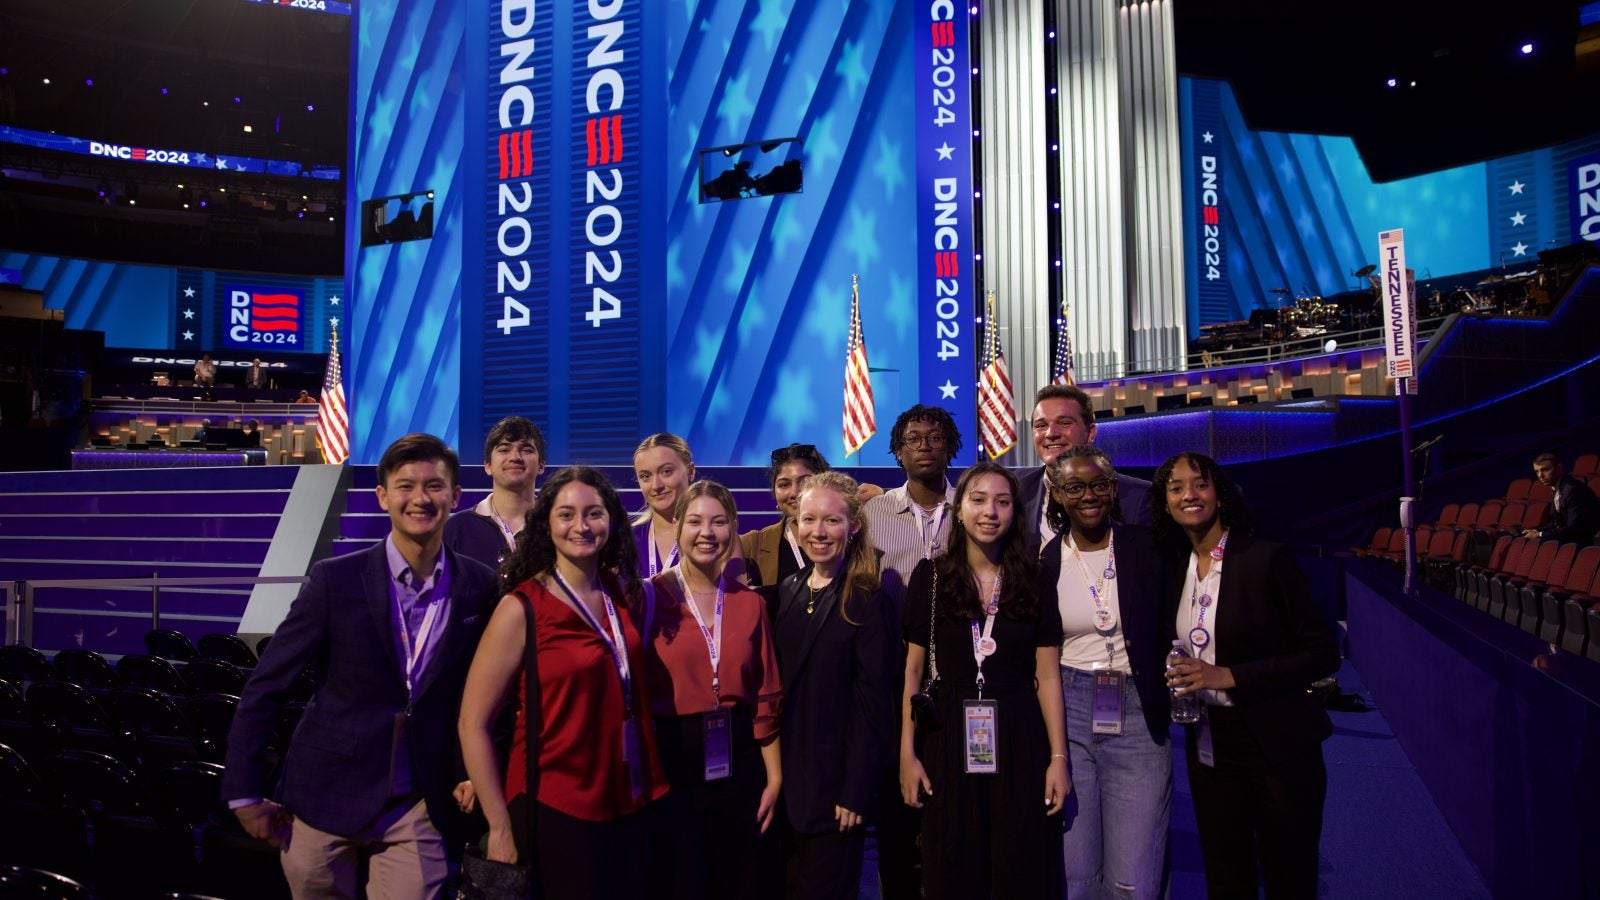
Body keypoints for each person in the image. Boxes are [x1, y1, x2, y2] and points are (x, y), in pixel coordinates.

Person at [222, 433, 498, 898]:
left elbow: (488, 694)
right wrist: (243, 790)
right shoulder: (335, 579)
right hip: (323, 796)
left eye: (434, 486)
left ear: (455, 496)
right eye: (406, 485)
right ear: (382, 496)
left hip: (421, 800)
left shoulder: (480, 584)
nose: (420, 498)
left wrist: (474, 770)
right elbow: (266, 686)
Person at [458, 466, 669, 899]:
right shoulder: (522, 607)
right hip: (556, 804)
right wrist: (498, 826)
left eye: (594, 513)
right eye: (567, 514)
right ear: (546, 523)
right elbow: (472, 723)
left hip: (630, 796)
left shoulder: (620, 592)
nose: (581, 526)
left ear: (611, 519)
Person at [1156, 452, 1339, 899]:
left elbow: (1323, 653)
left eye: (1199, 484)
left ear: (1219, 493)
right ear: (1164, 504)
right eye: (1176, 488)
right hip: (1209, 745)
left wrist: (1229, 676)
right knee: (1225, 875)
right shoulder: (1175, 569)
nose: (1189, 495)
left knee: (1288, 875)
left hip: (1278, 743)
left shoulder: (1265, 558)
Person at [898, 462, 1070, 899]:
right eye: (978, 500)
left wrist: (1058, 757)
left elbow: (1047, 674)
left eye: (1002, 501)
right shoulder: (931, 576)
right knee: (952, 869)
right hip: (947, 736)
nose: (989, 511)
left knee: (1023, 867)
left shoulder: (1035, 575)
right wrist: (907, 754)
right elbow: (913, 673)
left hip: (1019, 734)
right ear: (958, 510)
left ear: (1016, 511)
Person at [642, 480, 783, 899]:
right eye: (696, 521)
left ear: (733, 529)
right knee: (679, 880)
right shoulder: (648, 597)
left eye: (719, 522)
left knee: (736, 881)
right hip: (670, 756)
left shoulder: (750, 602)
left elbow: (765, 695)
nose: (708, 533)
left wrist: (774, 779)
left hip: (737, 758)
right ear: (679, 526)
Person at [1042, 446, 1171, 899]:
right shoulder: (1046, 562)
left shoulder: (1147, 547)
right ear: (1057, 495)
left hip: (1136, 709)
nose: (1089, 495)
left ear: (1113, 489)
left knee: (1133, 877)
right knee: (1076, 875)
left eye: (1099, 484)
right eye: (1074, 487)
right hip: (1071, 709)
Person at [773, 471, 895, 899]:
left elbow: (874, 705)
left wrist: (856, 789)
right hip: (787, 788)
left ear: (854, 526)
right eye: (809, 520)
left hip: (835, 794)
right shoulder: (789, 588)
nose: (818, 532)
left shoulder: (867, 597)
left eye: (831, 521)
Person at [861, 403, 962, 900]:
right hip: (894, 680)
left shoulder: (974, 506)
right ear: (897, 452)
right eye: (913, 438)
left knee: (954, 813)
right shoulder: (871, 515)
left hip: (962, 678)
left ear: (951, 446)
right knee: (898, 821)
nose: (925, 445)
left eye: (935, 437)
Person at [1018, 385, 1153, 551]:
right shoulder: (1016, 491)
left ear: (1091, 433)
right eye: (1041, 425)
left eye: (1064, 422)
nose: (1051, 433)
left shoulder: (1139, 498)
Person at [444, 416, 546, 571]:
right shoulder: (455, 529)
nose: (515, 457)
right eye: (504, 449)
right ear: (488, 466)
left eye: (526, 450)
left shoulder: (558, 526)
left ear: (541, 465)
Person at [740, 443, 830, 588]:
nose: (794, 492)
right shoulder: (750, 545)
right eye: (784, 485)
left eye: (805, 482)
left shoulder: (846, 543)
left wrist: (880, 494)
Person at [633, 433, 696, 578]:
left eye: (666, 472)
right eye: (645, 476)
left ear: (691, 472)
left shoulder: (713, 536)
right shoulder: (624, 541)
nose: (656, 486)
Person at [1523, 452, 1600, 546]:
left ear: (1559, 468)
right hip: (1572, 541)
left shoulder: (1572, 490)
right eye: (1537, 471)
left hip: (1586, 544)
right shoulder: (1558, 488)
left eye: (1545, 470)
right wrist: (1536, 531)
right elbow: (1556, 524)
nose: (1540, 476)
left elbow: (1574, 529)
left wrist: (1539, 534)